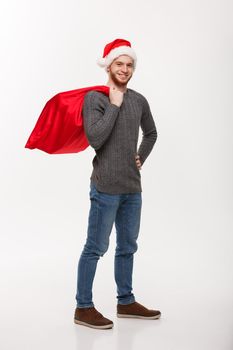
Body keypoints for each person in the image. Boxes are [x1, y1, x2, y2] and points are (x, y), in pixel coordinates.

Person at [74, 38, 161, 330]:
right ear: (109, 65)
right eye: (119, 64)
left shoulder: (139, 100)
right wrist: (114, 105)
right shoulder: (95, 99)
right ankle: (83, 307)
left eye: (129, 64)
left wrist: (141, 157)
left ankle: (126, 301)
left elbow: (151, 133)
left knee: (127, 247)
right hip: (105, 189)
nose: (124, 69)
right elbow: (95, 139)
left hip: (132, 189)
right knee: (95, 247)